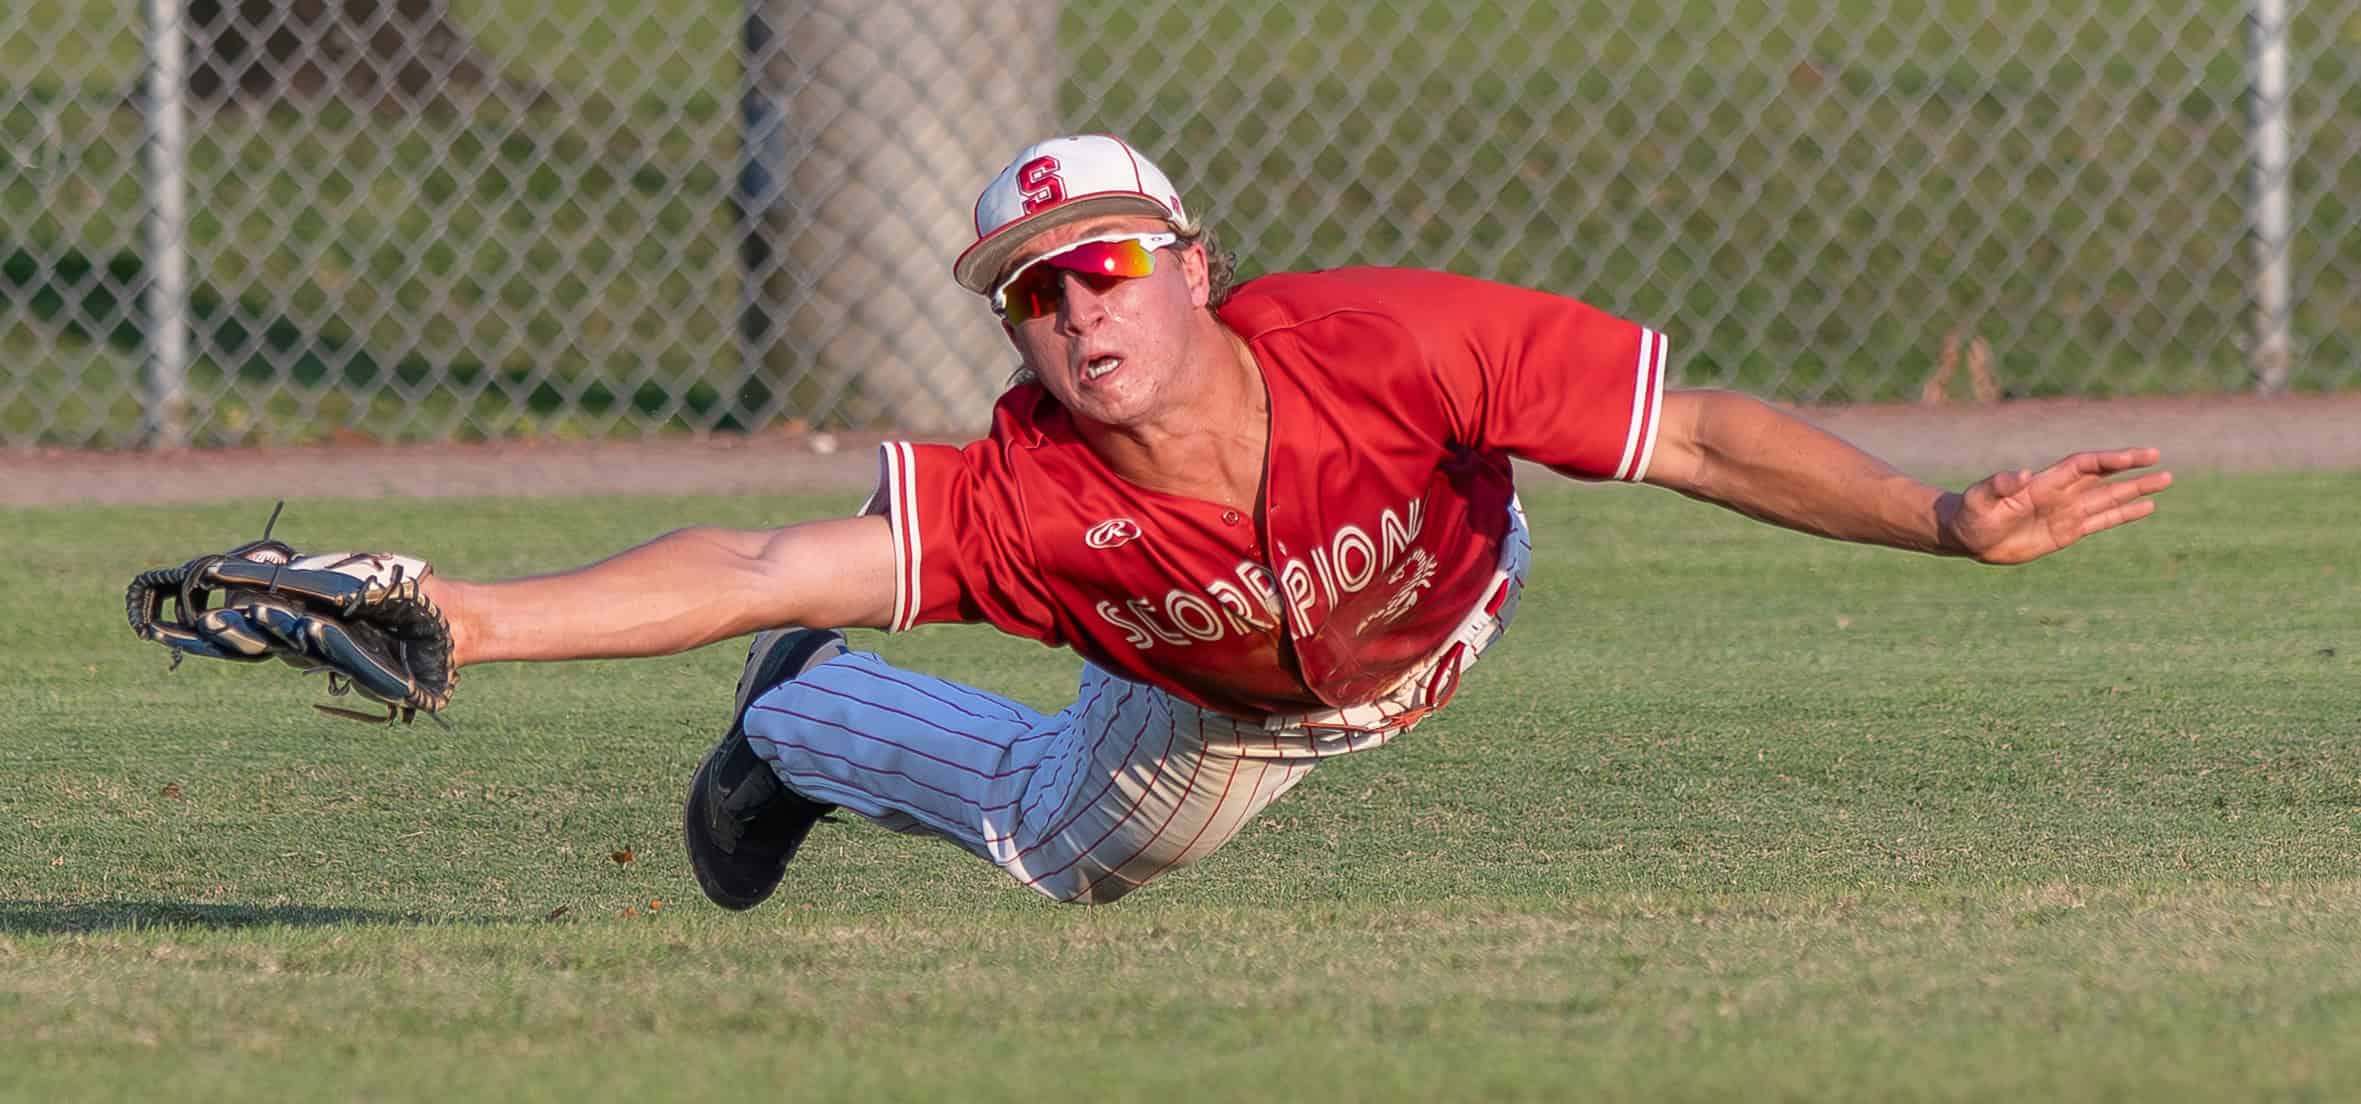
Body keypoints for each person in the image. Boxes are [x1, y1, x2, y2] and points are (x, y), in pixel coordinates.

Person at [417, 134, 2172, 907]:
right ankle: (801, 722)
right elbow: (751, 562)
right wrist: (474, 615)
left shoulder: (1385, 340)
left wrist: (1943, 519)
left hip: (1452, 576)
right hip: (1236, 702)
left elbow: (1692, 435)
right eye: (1033, 292)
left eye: (1107, 261)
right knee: (1066, 847)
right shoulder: (1038, 493)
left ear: (1190, 264)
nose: (1079, 310)